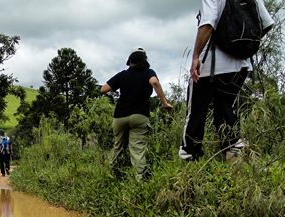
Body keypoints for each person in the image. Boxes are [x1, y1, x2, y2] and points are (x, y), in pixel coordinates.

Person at [179, 0, 274, 161]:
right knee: (226, 109)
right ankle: (233, 153)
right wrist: (240, 46)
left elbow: (208, 23)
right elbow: (266, 24)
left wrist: (195, 56)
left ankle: (190, 155)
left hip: (208, 66)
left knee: (196, 111)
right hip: (239, 66)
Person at [100, 47, 173, 181]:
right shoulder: (148, 72)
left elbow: (103, 89)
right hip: (139, 116)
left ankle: (110, 175)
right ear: (145, 60)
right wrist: (164, 102)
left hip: (120, 116)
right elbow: (155, 82)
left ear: (130, 61)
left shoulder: (123, 74)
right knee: (137, 150)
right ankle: (140, 180)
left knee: (118, 146)